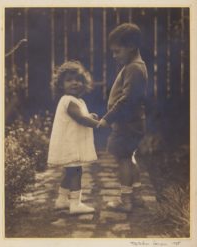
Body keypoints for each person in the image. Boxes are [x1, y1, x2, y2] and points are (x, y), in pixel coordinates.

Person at [97, 23, 148, 212]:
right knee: (129, 157)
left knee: (123, 159)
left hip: (127, 124)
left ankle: (125, 200)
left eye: (117, 51)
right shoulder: (134, 66)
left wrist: (107, 119)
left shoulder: (134, 68)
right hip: (132, 123)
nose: (114, 55)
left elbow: (126, 100)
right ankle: (137, 196)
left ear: (131, 46)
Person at [48, 61, 99, 214]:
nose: (74, 83)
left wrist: (89, 116)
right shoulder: (68, 100)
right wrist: (98, 123)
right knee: (76, 172)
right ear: (61, 84)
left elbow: (81, 116)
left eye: (78, 79)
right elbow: (80, 119)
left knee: (70, 172)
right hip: (70, 144)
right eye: (69, 80)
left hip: (70, 143)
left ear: (84, 83)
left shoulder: (78, 101)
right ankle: (76, 204)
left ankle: (62, 200)